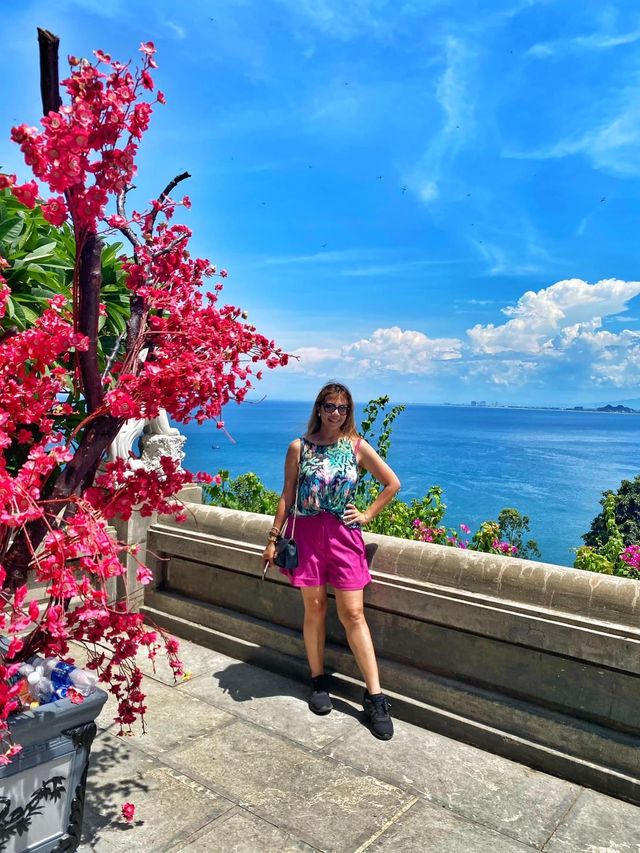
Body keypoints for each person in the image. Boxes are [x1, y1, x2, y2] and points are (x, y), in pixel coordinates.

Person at [263, 382, 401, 740]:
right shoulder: (300, 446)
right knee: (314, 609)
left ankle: (375, 697)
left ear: (348, 411)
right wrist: (272, 539)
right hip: (306, 536)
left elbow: (392, 484)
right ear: (319, 408)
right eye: (329, 406)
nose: (335, 412)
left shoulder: (356, 446)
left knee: (353, 613)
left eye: (341, 407)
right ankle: (318, 680)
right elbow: (287, 495)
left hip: (343, 537)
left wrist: (368, 514)